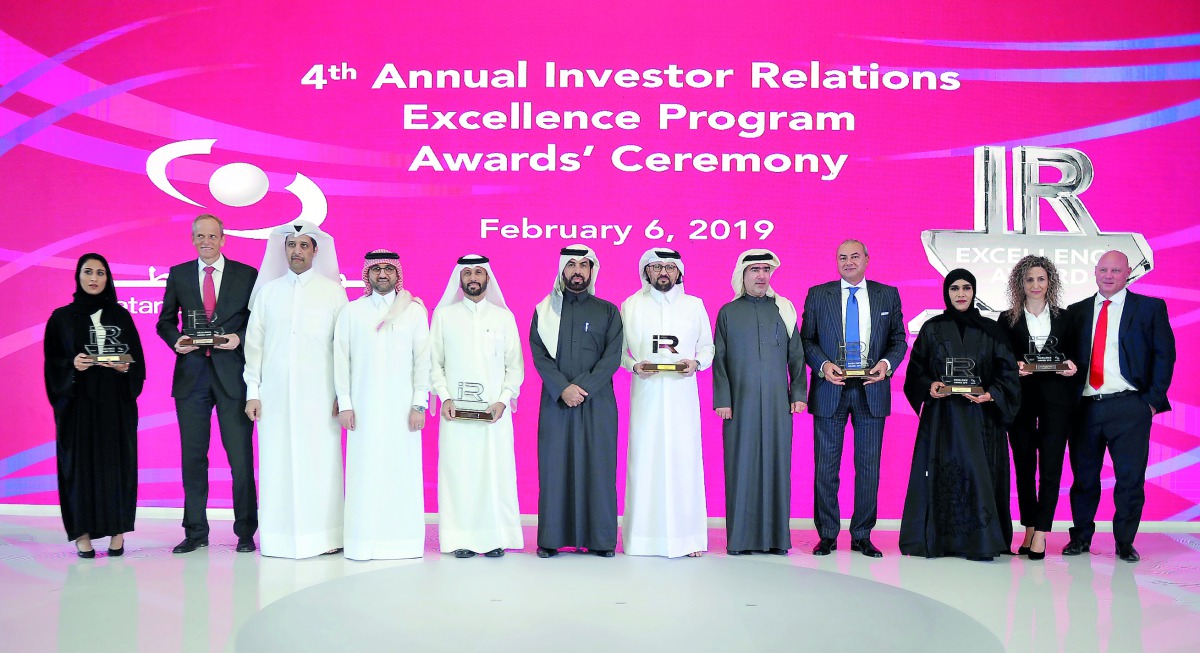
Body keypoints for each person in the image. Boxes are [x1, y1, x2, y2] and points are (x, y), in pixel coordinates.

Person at [243, 221, 348, 559]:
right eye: (292, 245)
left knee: (321, 464)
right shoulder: (268, 293)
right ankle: (277, 537)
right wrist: (252, 392)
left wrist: (342, 395)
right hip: (274, 397)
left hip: (321, 398)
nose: (297, 251)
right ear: (283, 250)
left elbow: (343, 348)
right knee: (277, 464)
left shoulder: (333, 293)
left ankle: (325, 537)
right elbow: (254, 347)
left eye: (304, 246)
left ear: (315, 251)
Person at [899, 269, 1020, 561]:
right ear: (947, 293)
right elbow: (916, 371)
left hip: (982, 419)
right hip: (943, 419)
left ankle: (981, 542)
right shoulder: (932, 328)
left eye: (966, 287)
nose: (961, 293)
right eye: (955, 288)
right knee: (945, 474)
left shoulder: (990, 329)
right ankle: (941, 541)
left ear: (974, 291)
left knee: (979, 474)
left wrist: (991, 393)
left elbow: (1008, 372)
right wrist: (931, 386)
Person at [1063, 250, 1175, 562]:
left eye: (1116, 270)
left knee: (1129, 479)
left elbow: (1165, 356)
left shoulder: (1149, 308)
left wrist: (1151, 403)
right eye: (1103, 270)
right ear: (1095, 272)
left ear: (1128, 273)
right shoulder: (1076, 312)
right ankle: (1081, 537)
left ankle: (1124, 542)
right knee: (1084, 478)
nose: (1109, 275)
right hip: (1085, 408)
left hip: (1129, 407)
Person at [157, 214, 259, 555]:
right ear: (192, 239)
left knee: (241, 459)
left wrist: (237, 338)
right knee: (193, 458)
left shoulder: (247, 275)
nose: (206, 241)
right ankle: (195, 531)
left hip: (233, 377)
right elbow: (165, 321)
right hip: (192, 377)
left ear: (223, 238)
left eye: (212, 235)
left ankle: (246, 531)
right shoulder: (179, 274)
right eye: (200, 236)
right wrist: (178, 340)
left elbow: (258, 324)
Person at [800, 239, 907, 558]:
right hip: (830, 388)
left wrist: (885, 367)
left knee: (868, 467)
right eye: (842, 257)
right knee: (826, 467)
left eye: (854, 256)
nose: (848, 262)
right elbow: (807, 340)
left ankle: (862, 534)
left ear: (867, 259)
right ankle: (828, 534)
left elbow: (898, 340)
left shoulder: (887, 294)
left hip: (871, 390)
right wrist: (822, 365)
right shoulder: (819, 294)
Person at [44, 253, 146, 558]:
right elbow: (52, 364)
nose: (93, 279)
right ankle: (82, 535)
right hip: (78, 407)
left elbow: (138, 361)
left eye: (100, 273)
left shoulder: (121, 316)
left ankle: (117, 533)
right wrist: (72, 364)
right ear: (78, 276)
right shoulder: (61, 318)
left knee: (117, 466)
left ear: (108, 278)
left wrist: (125, 367)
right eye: (88, 272)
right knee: (79, 468)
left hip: (115, 406)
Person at [333, 250, 431, 561]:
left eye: (389, 269)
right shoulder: (352, 311)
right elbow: (341, 360)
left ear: (397, 273)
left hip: (403, 410)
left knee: (401, 473)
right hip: (362, 408)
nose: (383, 275)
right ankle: (363, 542)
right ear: (368, 274)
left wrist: (419, 404)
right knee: (364, 473)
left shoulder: (413, 312)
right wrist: (345, 403)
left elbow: (423, 361)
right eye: (377, 270)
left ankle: (402, 543)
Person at [529, 245, 623, 558]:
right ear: (561, 270)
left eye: (584, 265)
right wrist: (562, 388)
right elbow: (539, 356)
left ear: (592, 270)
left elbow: (612, 357)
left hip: (597, 403)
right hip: (556, 402)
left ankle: (601, 540)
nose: (577, 271)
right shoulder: (545, 311)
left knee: (599, 467)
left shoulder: (608, 311)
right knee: (555, 468)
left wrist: (581, 388)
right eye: (571, 265)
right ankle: (552, 539)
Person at [620, 248, 715, 558]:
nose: (663, 272)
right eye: (657, 267)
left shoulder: (694, 305)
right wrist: (633, 366)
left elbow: (708, 348)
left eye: (670, 267)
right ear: (646, 272)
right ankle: (642, 540)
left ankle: (687, 540)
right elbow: (618, 353)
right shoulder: (630, 306)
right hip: (646, 397)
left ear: (679, 273)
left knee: (683, 464)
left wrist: (697, 364)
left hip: (682, 399)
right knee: (645, 463)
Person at [712, 249, 806, 556]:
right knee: (740, 466)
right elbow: (720, 360)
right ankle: (740, 540)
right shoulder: (728, 312)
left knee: (778, 466)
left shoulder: (784, 309)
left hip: (779, 405)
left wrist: (799, 394)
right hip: (740, 405)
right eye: (755, 270)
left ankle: (777, 539)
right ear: (743, 274)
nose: (762, 275)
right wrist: (723, 399)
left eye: (766, 270)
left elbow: (796, 355)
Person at [431, 255, 524, 559]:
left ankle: (495, 537)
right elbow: (435, 363)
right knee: (460, 474)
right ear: (460, 278)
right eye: (467, 272)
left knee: (494, 473)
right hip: (455, 414)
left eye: (479, 272)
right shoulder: (444, 316)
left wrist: (503, 399)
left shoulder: (503, 318)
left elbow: (515, 366)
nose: (473, 277)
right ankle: (461, 539)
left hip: (495, 415)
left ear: (488, 279)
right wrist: (444, 397)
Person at [998, 255, 1078, 561]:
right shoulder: (1007, 319)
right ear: (1020, 284)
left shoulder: (1066, 318)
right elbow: (999, 360)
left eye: (1041, 279)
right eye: (1029, 279)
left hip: (1057, 402)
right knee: (1024, 467)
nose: (1035, 284)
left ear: (1050, 282)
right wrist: (1013, 366)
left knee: (1051, 466)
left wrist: (1072, 366)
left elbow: (1077, 357)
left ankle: (1042, 531)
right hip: (1020, 402)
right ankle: (1029, 525)